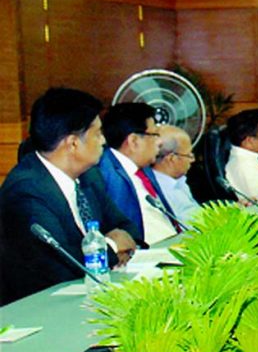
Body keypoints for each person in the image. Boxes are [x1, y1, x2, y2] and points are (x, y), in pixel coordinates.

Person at [0, 88, 138, 303]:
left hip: (92, 297)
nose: (103, 141)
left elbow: (127, 228)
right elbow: (58, 266)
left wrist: (116, 242)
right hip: (40, 311)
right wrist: (110, 247)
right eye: (98, 133)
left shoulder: (89, 177)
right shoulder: (26, 191)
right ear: (73, 143)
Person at [97, 103, 179, 246]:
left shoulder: (144, 168)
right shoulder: (105, 171)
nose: (159, 142)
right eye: (154, 135)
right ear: (134, 141)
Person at [151, 125, 201, 224]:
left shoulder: (177, 180)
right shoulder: (162, 193)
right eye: (189, 155)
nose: (193, 160)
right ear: (171, 159)